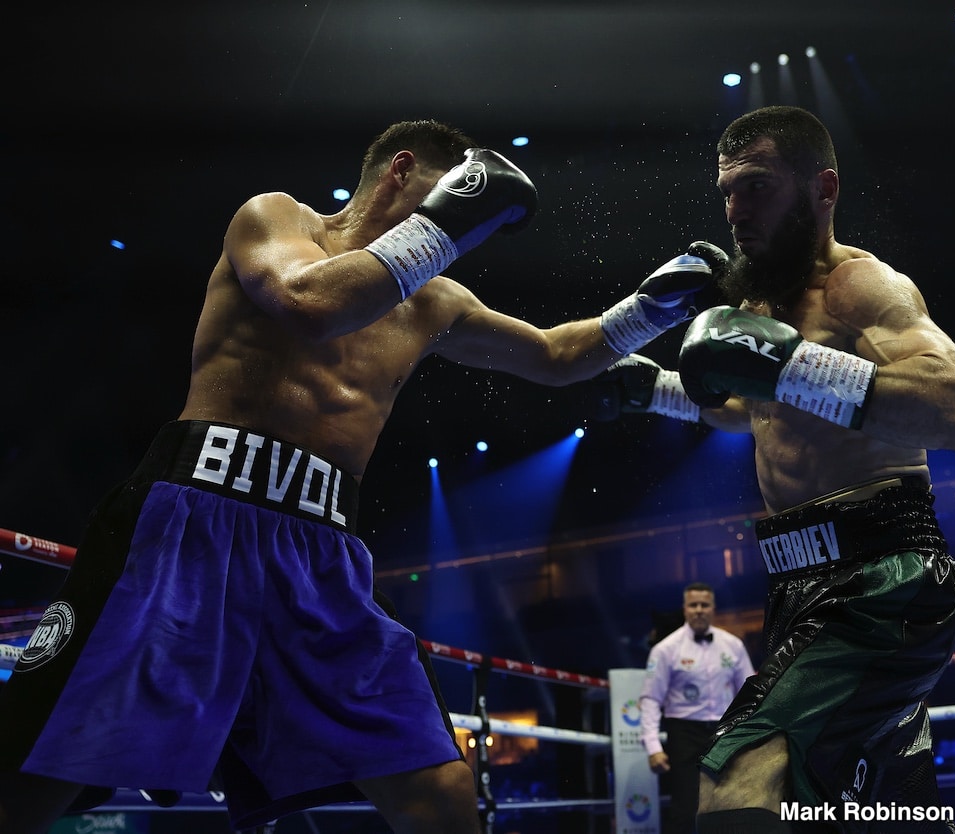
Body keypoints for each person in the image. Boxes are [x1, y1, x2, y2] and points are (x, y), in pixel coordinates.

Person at [0, 119, 720, 834]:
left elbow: (556, 357)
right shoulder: (276, 219)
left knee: (439, 787)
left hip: (320, 556)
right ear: (401, 171)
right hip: (193, 520)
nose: (461, 233)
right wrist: (450, 218)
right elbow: (309, 303)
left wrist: (651, 308)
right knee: (41, 768)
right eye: (455, 200)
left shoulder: (434, 301)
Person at [598, 106, 955, 832]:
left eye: (757, 186)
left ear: (823, 189)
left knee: (737, 781)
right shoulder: (760, 304)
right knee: (889, 813)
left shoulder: (860, 287)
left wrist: (790, 365)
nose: (734, 211)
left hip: (883, 575)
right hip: (796, 583)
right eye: (727, 192)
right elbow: (752, 409)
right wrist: (660, 391)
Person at [640, 582, 754, 834]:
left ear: (713, 609)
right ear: (685, 609)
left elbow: (749, 694)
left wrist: (750, 737)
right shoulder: (665, 650)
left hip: (725, 732)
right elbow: (651, 699)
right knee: (685, 808)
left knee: (730, 803)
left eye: (704, 604)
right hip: (684, 733)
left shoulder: (733, 645)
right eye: (694, 605)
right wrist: (653, 747)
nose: (699, 610)